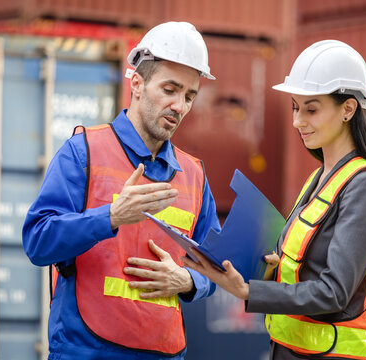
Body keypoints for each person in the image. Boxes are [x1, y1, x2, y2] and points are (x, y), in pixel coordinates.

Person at [183, 40, 366, 360]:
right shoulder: (318, 181)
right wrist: (273, 270)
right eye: (295, 107)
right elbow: (310, 269)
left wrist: (249, 291)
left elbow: (334, 293)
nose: (297, 121)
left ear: (348, 109)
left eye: (311, 109)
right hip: (289, 350)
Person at [22, 21, 220, 360]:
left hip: (165, 353)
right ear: (138, 84)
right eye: (170, 89)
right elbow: (38, 243)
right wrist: (111, 216)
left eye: (189, 96)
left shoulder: (194, 175)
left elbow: (218, 267)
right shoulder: (83, 151)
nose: (180, 106)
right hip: (86, 351)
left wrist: (188, 281)